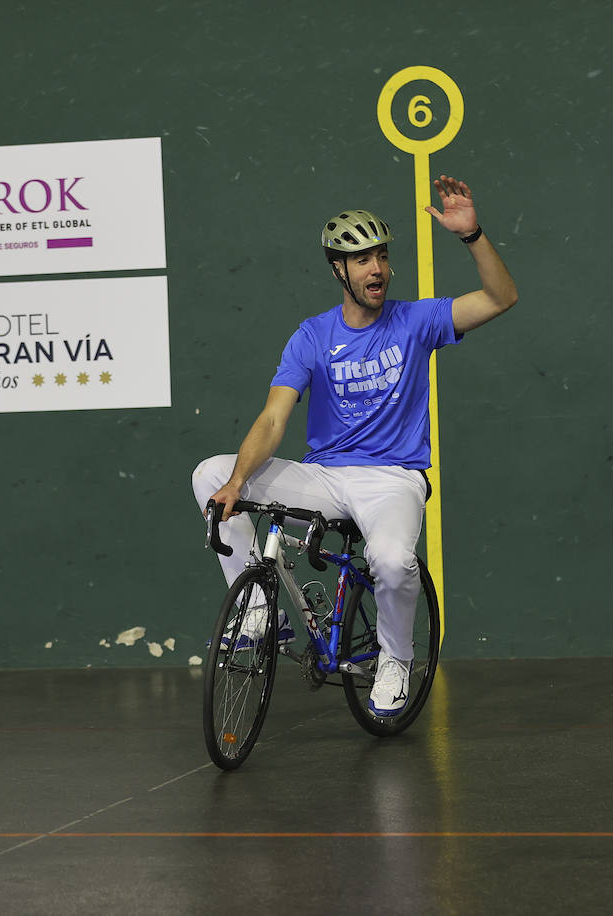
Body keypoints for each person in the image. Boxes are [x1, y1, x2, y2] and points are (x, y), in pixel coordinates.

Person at [192, 174, 517, 717]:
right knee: (209, 473)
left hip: (393, 479)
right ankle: (258, 614)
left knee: (392, 560)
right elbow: (274, 418)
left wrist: (472, 234)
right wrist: (237, 481)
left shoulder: (417, 320)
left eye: (382, 257)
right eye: (363, 260)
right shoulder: (313, 336)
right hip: (324, 478)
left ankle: (394, 659)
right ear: (338, 269)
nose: (377, 270)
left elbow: (500, 297)